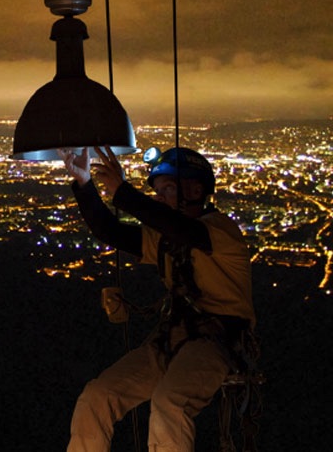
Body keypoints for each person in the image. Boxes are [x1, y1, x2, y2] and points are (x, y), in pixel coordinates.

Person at [58, 145, 256, 452]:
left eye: (167, 189)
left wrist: (123, 191)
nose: (159, 197)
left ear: (195, 189)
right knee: (98, 396)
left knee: (171, 403)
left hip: (217, 341)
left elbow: (182, 229)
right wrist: (85, 184)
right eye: (158, 191)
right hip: (170, 341)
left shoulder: (220, 232)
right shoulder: (166, 239)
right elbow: (111, 230)